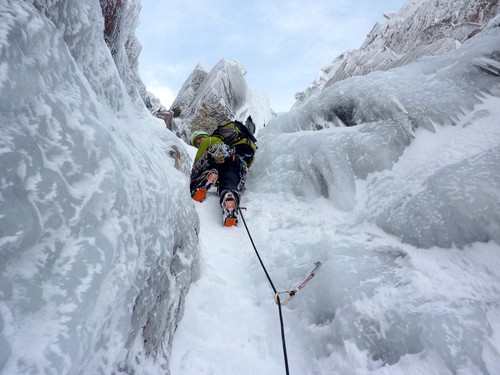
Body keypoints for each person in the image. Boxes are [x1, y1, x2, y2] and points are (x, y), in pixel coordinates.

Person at [189, 120, 256, 227]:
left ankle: (204, 178)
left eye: (199, 139)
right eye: (196, 143)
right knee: (229, 179)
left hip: (220, 154)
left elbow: (198, 162)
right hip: (238, 162)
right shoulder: (234, 143)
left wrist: (193, 175)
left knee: (205, 166)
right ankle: (229, 197)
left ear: (205, 136)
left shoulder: (210, 140)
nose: (198, 142)